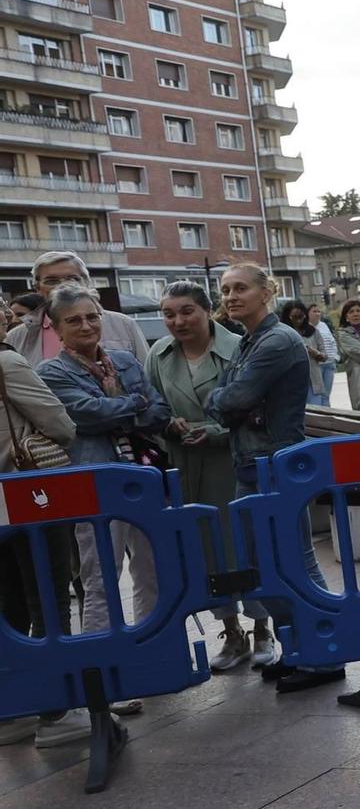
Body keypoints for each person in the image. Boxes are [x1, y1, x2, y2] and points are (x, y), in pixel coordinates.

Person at [208, 263, 345, 691]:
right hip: (251, 464)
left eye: (241, 288)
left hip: (276, 467)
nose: (231, 296)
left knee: (296, 563)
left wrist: (228, 404)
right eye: (226, 289)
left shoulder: (278, 340)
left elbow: (233, 398)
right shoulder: (250, 341)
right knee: (264, 568)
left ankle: (326, 654)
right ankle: (301, 647)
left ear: (267, 292)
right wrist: (229, 404)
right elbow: (230, 401)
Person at [37, 285, 167, 717]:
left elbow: (159, 411)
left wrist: (116, 406)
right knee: (100, 581)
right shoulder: (51, 373)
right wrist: (128, 404)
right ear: (56, 329)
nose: (86, 325)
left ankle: (148, 662)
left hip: (142, 480)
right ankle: (106, 678)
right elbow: (83, 416)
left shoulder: (126, 360)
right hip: (92, 486)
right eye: (73, 320)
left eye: (91, 316)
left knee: (151, 573)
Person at [146, 282, 275, 672]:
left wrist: (216, 431)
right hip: (185, 465)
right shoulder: (158, 353)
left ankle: (263, 628)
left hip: (230, 461)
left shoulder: (238, 347)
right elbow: (150, 403)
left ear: (206, 311)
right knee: (206, 553)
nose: (178, 321)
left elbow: (256, 409)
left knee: (244, 546)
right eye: (169, 314)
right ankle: (231, 633)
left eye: (187, 311)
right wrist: (166, 424)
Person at [0, 338, 86, 748]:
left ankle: (12, 709)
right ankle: (58, 711)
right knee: (49, 601)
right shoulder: (7, 362)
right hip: (28, 494)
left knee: (10, 606)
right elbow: (61, 425)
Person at [6, 251, 148, 368]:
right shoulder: (16, 337)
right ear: (37, 288)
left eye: (72, 279)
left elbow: (149, 376)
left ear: (86, 283)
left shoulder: (124, 325)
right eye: (51, 281)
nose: (63, 286)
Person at [307, 304, 338, 405]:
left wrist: (335, 357)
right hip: (316, 366)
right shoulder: (307, 328)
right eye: (314, 311)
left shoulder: (324, 326)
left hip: (329, 364)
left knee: (326, 395)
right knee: (317, 394)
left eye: (318, 311)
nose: (317, 314)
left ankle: (327, 415)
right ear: (308, 313)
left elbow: (332, 341)